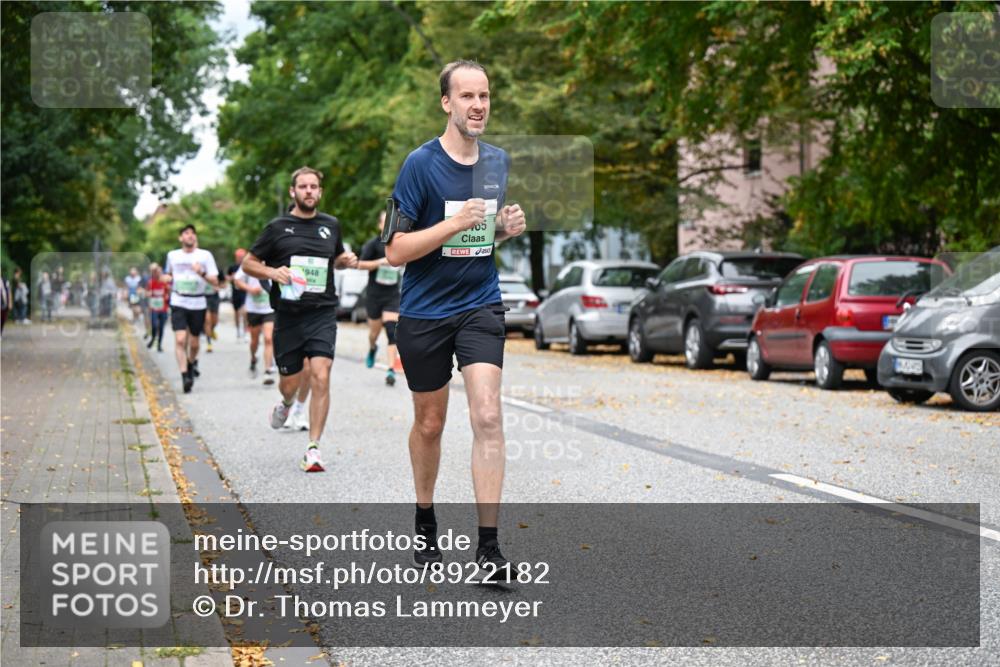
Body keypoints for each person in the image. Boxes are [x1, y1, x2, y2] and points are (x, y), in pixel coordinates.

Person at [385, 60, 527, 576]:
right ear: (446, 103)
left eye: (484, 96)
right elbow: (396, 250)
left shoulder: (498, 162)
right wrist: (452, 224)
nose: (478, 105)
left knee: (487, 416)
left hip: (479, 303)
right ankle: (425, 518)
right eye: (467, 96)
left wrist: (504, 229)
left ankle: (488, 548)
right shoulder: (419, 165)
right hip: (425, 311)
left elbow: (480, 235)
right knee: (430, 423)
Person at [241, 166, 358, 472]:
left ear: (320, 191)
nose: (309, 191)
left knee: (321, 374)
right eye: (303, 186)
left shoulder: (331, 225)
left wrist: (343, 261)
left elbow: (333, 260)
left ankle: (313, 448)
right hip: (288, 316)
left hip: (322, 312)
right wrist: (272, 272)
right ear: (293, 192)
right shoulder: (277, 227)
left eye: (313, 186)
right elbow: (248, 263)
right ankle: (286, 403)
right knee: (289, 384)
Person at [164, 224, 219, 393]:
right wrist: (165, 278)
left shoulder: (205, 255)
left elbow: (215, 281)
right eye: (186, 233)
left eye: (193, 233)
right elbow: (168, 274)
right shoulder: (172, 255)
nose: (190, 235)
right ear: (180, 238)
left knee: (194, 344)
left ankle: (190, 362)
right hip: (178, 301)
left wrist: (201, 272)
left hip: (198, 302)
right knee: (180, 339)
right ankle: (184, 376)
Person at [358, 211, 404, 387]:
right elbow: (360, 264)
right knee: (374, 333)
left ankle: (391, 369)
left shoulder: (401, 244)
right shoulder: (373, 245)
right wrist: (380, 262)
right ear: (379, 225)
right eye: (385, 222)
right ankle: (372, 347)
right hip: (374, 296)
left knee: (392, 330)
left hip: (392, 295)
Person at [233, 265, 276, 385]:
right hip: (253, 309)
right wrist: (250, 289)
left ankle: (268, 371)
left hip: (269, 309)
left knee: (268, 338)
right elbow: (237, 280)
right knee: (254, 341)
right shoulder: (251, 262)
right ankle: (253, 358)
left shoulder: (273, 260)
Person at [146, 263, 169, 352]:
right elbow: (147, 292)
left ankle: (159, 345)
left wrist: (167, 296)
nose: (159, 274)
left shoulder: (165, 282)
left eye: (160, 272)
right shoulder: (150, 282)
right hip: (154, 308)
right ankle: (153, 338)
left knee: (161, 327)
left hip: (163, 308)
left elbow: (168, 292)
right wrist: (149, 294)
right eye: (156, 272)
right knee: (154, 325)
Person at [228, 249, 249, 340]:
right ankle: (238, 330)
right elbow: (227, 278)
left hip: (245, 292)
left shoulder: (247, 267)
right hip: (235, 292)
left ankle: (245, 331)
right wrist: (232, 277)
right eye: (239, 257)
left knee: (245, 312)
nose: (240, 258)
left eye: (242, 257)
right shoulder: (232, 267)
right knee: (236, 313)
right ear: (236, 257)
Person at [203, 270, 221, 353]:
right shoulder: (200, 271)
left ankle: (212, 330)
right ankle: (209, 343)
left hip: (214, 298)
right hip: (204, 298)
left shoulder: (217, 271)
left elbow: (224, 283)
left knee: (215, 321)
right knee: (207, 321)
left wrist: (219, 287)